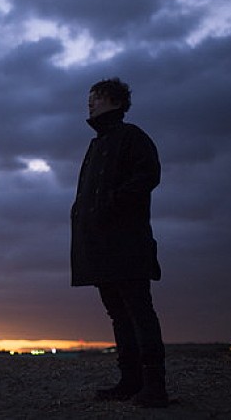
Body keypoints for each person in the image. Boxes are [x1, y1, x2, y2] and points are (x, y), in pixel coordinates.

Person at [70, 78, 168, 408]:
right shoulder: (97, 144)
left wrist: (113, 202)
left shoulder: (132, 137)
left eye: (95, 98)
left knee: (138, 311)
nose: (90, 104)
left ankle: (154, 386)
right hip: (100, 244)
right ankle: (130, 381)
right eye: (90, 98)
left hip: (127, 242)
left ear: (114, 100)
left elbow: (148, 176)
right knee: (118, 314)